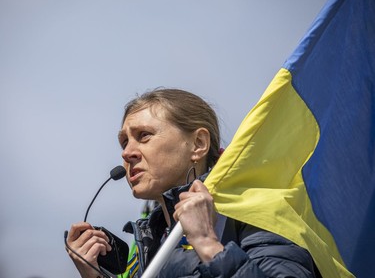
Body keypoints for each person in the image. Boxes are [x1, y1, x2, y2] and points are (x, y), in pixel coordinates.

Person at [66, 88, 321, 278]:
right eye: (124, 142)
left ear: (198, 144)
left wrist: (207, 243)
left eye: (144, 136)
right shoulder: (146, 243)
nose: (127, 153)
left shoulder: (256, 210)